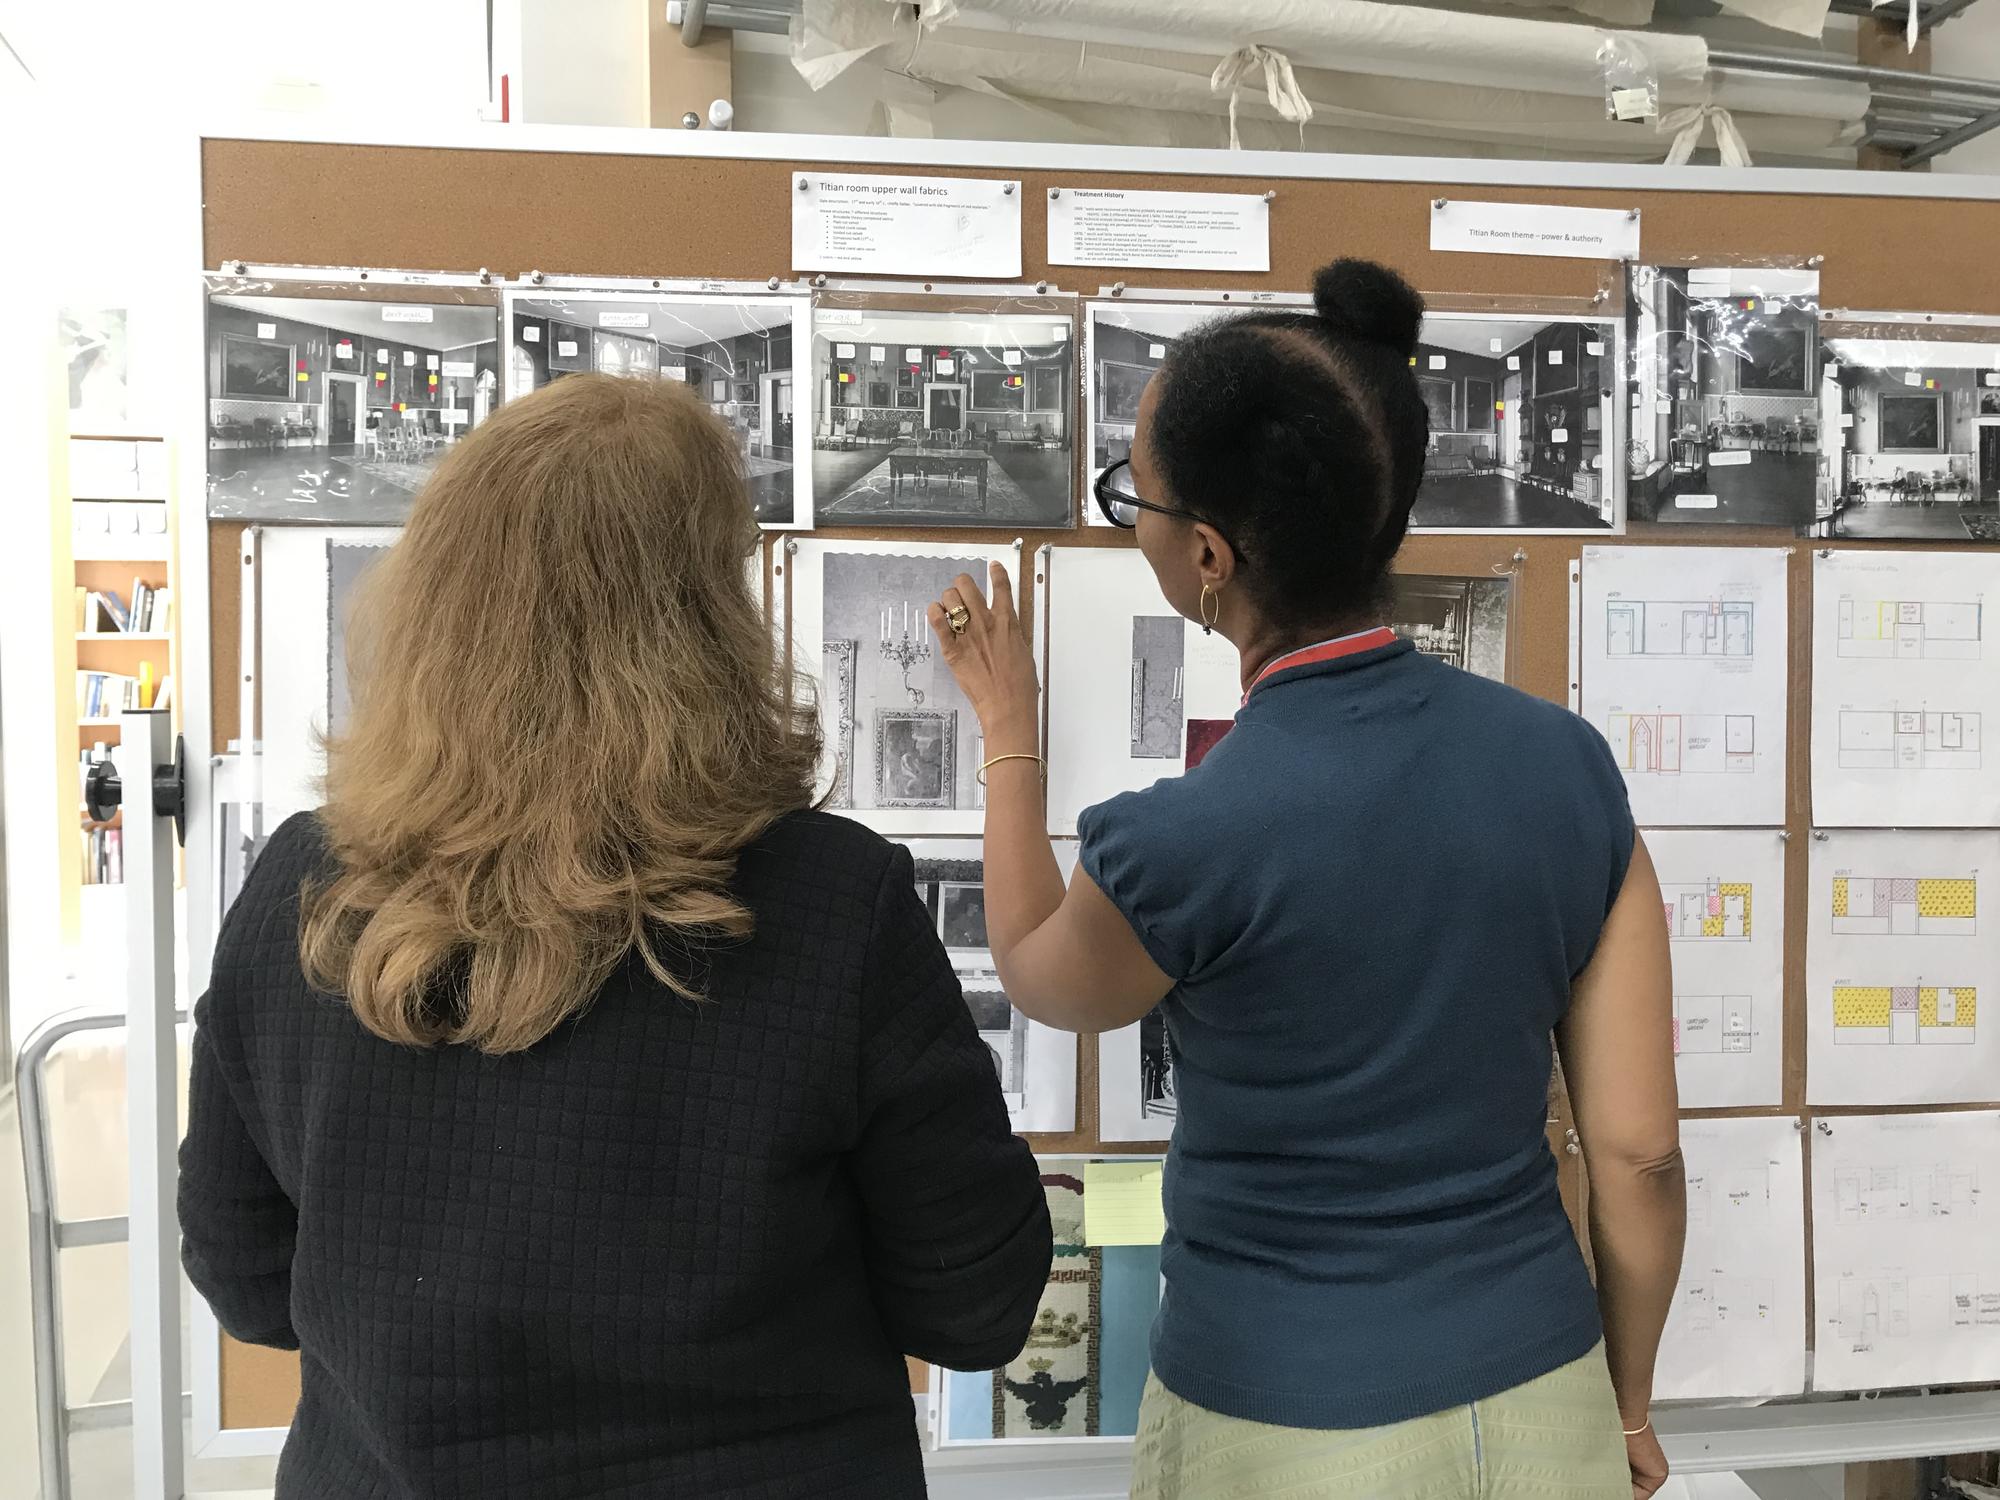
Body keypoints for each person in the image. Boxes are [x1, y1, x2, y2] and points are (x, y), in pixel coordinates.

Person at [179, 373, 1054, 1499]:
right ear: (708, 616)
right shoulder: (837, 906)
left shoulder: (302, 886)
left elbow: (248, 1287)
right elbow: (975, 1306)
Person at [927, 260, 1685, 1500]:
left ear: (1209, 555)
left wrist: (1008, 736)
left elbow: (1038, 977)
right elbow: (1639, 1154)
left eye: (1139, 501)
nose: (1138, 521)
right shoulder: (1566, 769)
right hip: (1545, 1395)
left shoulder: (1187, 837)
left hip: (1278, 1425)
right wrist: (1629, 1401)